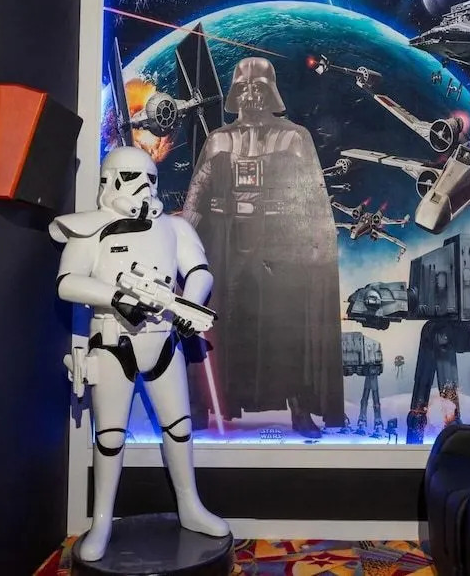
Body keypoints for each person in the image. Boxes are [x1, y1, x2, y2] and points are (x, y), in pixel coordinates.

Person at [50, 146, 229, 562]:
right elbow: (67, 282)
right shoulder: (90, 229)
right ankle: (101, 521)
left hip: (164, 338)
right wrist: (116, 297)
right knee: (110, 436)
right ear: (110, 181)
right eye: (133, 178)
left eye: (150, 179)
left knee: (179, 428)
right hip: (113, 342)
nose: (144, 187)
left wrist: (189, 305)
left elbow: (199, 271)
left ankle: (190, 506)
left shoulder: (173, 227)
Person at [181, 57, 344, 438]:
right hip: (225, 241)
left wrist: (319, 242)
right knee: (217, 320)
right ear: (235, 92)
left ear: (272, 92)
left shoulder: (294, 137)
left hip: (278, 244)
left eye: (259, 87)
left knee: (286, 326)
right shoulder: (219, 139)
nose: (252, 94)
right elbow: (197, 194)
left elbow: (313, 194)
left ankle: (300, 406)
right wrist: (181, 237)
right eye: (244, 87)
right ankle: (202, 404)